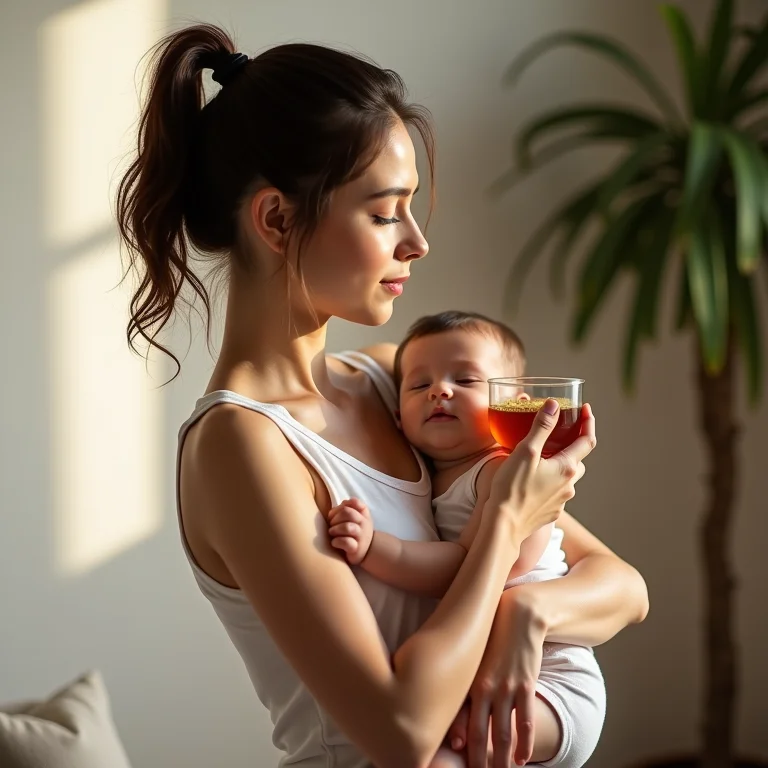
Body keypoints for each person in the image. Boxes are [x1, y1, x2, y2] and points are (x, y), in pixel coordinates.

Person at [116, 22, 649, 768]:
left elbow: (622, 587)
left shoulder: (396, 379)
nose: (415, 242)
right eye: (382, 210)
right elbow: (400, 734)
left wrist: (529, 611)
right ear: (276, 219)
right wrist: (500, 526)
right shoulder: (242, 446)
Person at [327, 310, 606, 768]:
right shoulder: (429, 480)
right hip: (482, 673)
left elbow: (480, 566)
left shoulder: (505, 472)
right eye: (420, 386)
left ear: (512, 404)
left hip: (549, 679)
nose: (440, 390)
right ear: (398, 417)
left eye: (467, 380)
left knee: (447, 747)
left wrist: (376, 549)